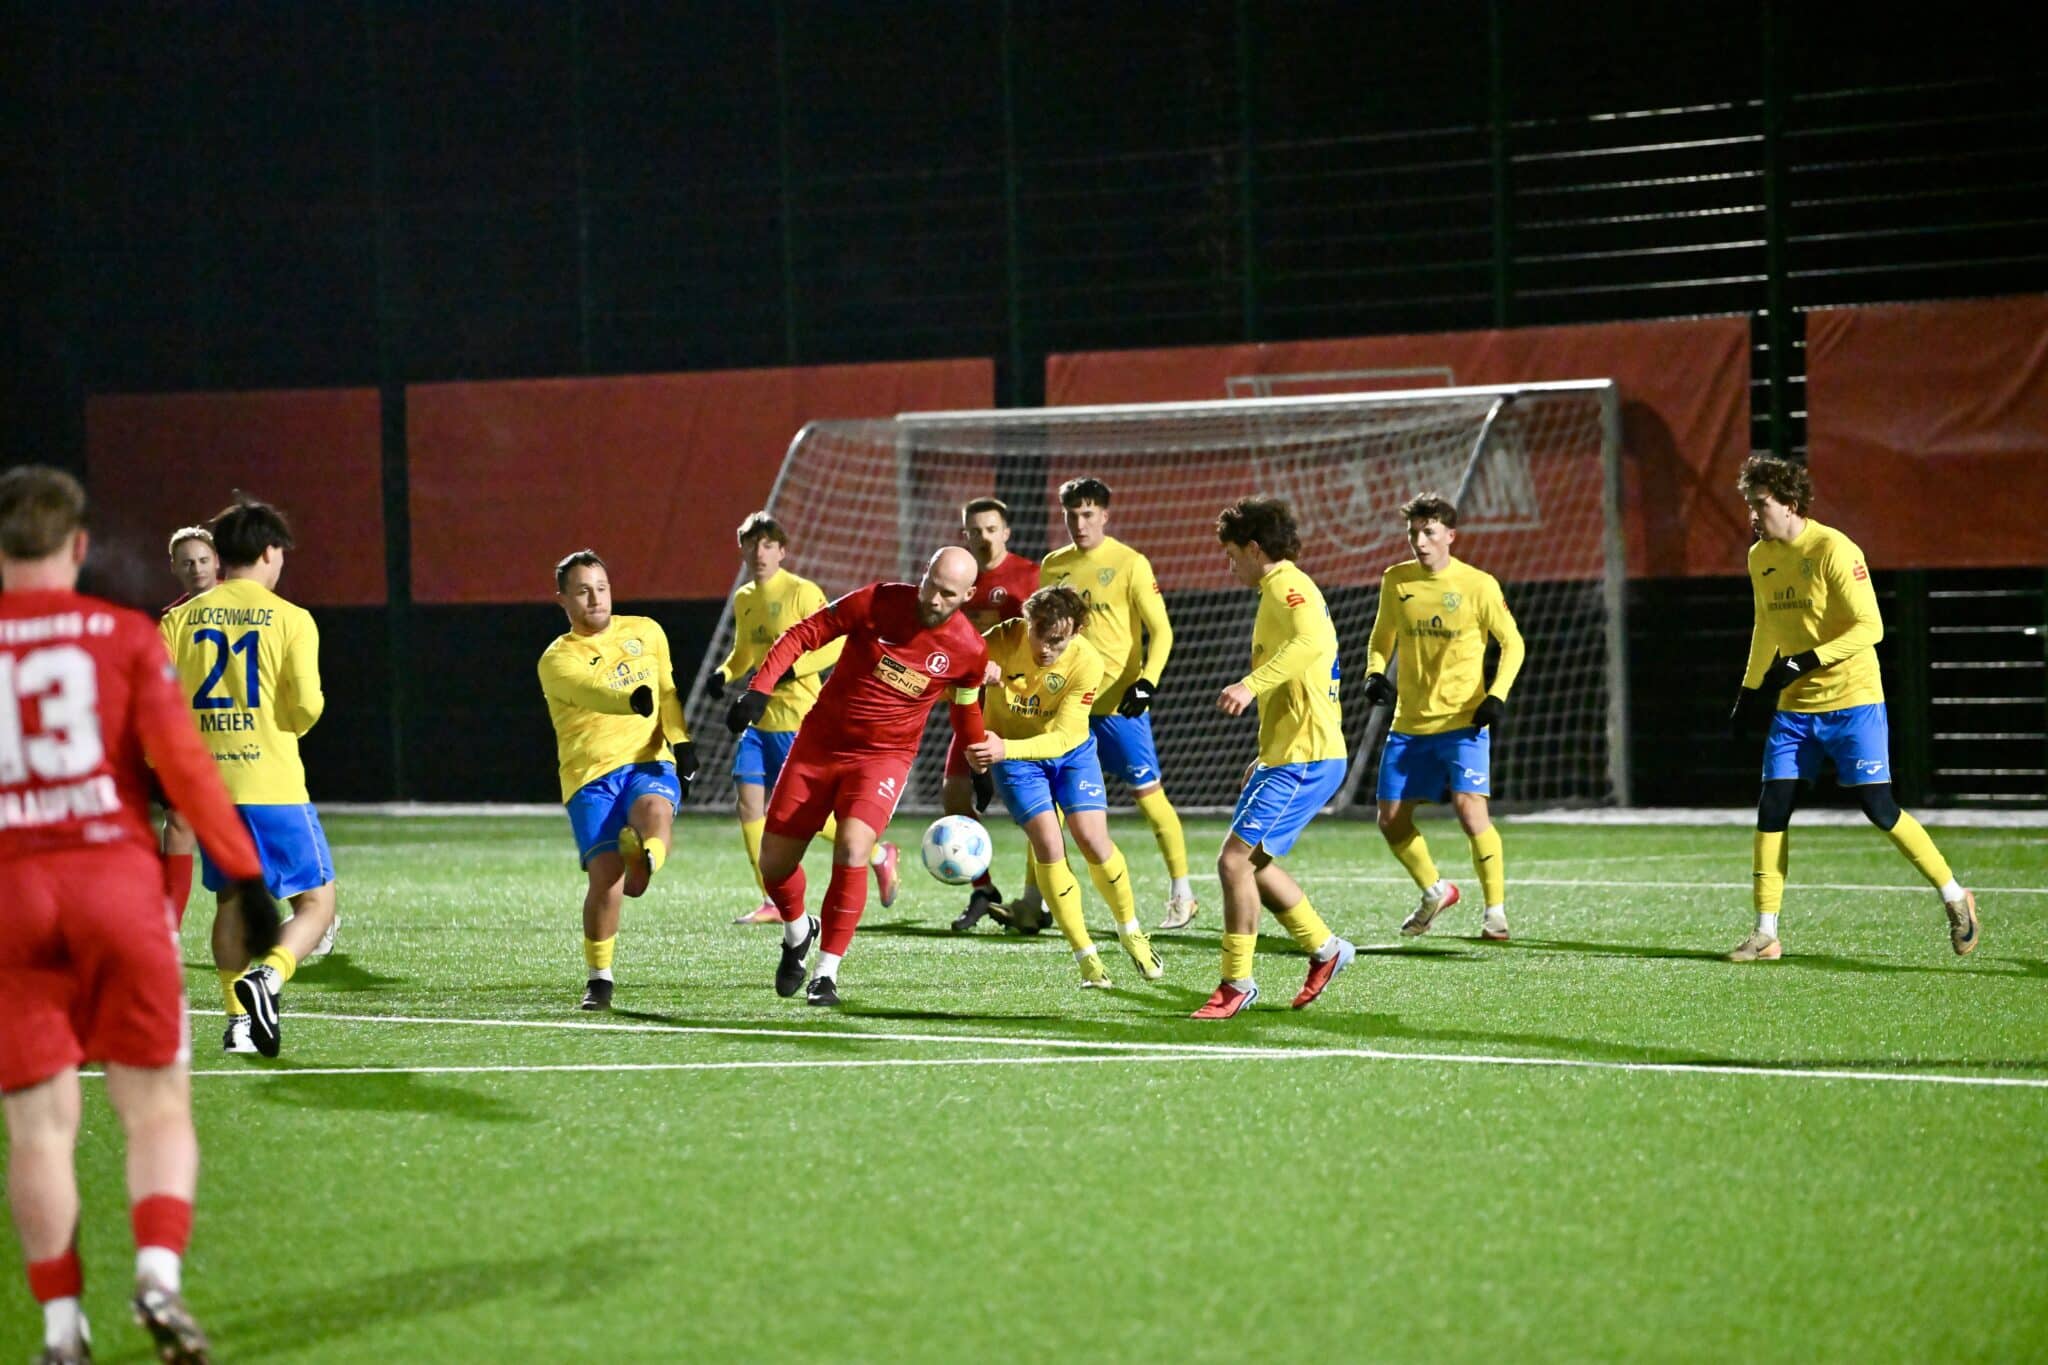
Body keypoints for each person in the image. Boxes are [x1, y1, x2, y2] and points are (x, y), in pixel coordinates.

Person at [0, 466, 279, 1365]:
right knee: (155, 1108)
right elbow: (183, 766)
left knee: (39, 1129)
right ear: (79, 546)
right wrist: (244, 879)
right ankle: (157, 1277)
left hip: (12, 902)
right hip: (114, 891)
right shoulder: (123, 636)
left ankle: (59, 1331)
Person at [1725, 456, 1978, 961]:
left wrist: (1808, 659)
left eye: (1761, 504)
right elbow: (1766, 625)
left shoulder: (1834, 549)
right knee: (1772, 806)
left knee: (1878, 808)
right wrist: (1748, 692)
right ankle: (1765, 932)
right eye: (1749, 504)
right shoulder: (1759, 557)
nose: (1753, 514)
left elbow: (1871, 627)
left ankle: (1955, 896)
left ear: (1790, 503)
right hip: (1795, 709)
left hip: (1853, 701)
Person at [726, 546, 989, 1007]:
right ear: (924, 572)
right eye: (931, 584)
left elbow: (964, 710)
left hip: (883, 759)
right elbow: (804, 633)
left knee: (852, 847)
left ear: (968, 595)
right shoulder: (878, 600)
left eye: (948, 594)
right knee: (774, 864)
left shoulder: (969, 651)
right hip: (818, 745)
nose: (934, 598)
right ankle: (797, 930)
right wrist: (759, 690)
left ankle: (826, 973)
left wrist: (976, 758)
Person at [160, 494, 340, 1058]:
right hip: (272, 783)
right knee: (317, 904)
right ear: (268, 552)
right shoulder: (291, 618)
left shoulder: (178, 620)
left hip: (208, 791)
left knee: (232, 904)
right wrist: (284, 722)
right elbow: (306, 707)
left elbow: (155, 708)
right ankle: (269, 976)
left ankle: (239, 1025)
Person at [1194, 497, 1357, 1019]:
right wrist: (1266, 754)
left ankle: (1236, 982)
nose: (1229, 566)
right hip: (1292, 754)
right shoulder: (1277, 590)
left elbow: (1312, 641)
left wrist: (1250, 684)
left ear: (1253, 548)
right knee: (1254, 865)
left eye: (1231, 555)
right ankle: (1326, 950)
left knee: (1233, 862)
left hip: (1306, 757)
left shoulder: (1288, 586)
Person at [963, 586, 1163, 986]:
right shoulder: (1000, 640)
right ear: (1027, 622)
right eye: (1040, 634)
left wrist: (1002, 748)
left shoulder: (1087, 662)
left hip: (1070, 754)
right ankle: (1086, 956)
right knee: (1049, 847)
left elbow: (1064, 738)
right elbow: (951, 683)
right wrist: (973, 677)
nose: (1046, 648)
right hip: (1017, 763)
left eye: (1058, 640)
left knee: (1093, 840)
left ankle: (1130, 931)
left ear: (1077, 631)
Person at [708, 512, 898, 925]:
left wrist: (792, 669)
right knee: (748, 804)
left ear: (782, 551)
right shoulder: (744, 598)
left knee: (805, 816)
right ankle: (772, 901)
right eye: (751, 545)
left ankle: (878, 854)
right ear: (742, 550)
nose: (759, 553)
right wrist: (723, 674)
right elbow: (745, 651)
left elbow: (835, 644)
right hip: (759, 720)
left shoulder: (802, 592)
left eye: (767, 545)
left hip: (797, 718)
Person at [1362, 491, 1523, 943]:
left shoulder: (1478, 584)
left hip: (1462, 721)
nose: (1420, 541)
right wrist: (1374, 672)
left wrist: (1497, 695)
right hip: (1409, 724)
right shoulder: (1396, 580)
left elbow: (1513, 642)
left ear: (1450, 536)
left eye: (1429, 532)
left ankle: (1495, 913)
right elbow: (1381, 637)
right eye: (1413, 532)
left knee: (1471, 811)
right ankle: (1436, 891)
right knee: (1390, 820)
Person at [539, 550, 696, 1010]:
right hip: (590, 776)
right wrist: (629, 700)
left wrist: (681, 741)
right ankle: (600, 979)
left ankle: (645, 860)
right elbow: (592, 692)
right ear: (563, 600)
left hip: (647, 759)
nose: (596, 599)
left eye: (602, 588)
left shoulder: (646, 631)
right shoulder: (556, 659)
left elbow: (666, 690)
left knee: (655, 810)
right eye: (583, 591)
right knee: (606, 879)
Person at [1040, 477, 1198, 930]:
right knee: (1048, 804)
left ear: (1105, 516)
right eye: (1071, 514)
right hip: (1068, 705)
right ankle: (1038, 900)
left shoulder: (1130, 563)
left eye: (1088, 514)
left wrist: (1147, 682)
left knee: (1148, 797)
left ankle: (1183, 892)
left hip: (1118, 707)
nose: (1079, 523)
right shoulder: (1053, 566)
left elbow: (1161, 631)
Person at [947, 496, 1040, 931]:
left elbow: (1046, 639)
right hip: (968, 702)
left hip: (1014, 705)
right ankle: (983, 889)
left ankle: (1038, 897)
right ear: (964, 534)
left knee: (1034, 806)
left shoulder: (1029, 576)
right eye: (975, 530)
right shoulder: (956, 577)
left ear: (1006, 532)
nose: (983, 537)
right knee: (954, 797)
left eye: (991, 529)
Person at [157, 525, 219, 929]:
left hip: (247, 739)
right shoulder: (173, 620)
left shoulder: (252, 607)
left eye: (202, 559)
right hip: (192, 743)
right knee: (179, 823)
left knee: (257, 833)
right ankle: (169, 929)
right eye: (187, 562)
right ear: (174, 568)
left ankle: (314, 908)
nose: (196, 569)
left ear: (218, 561)